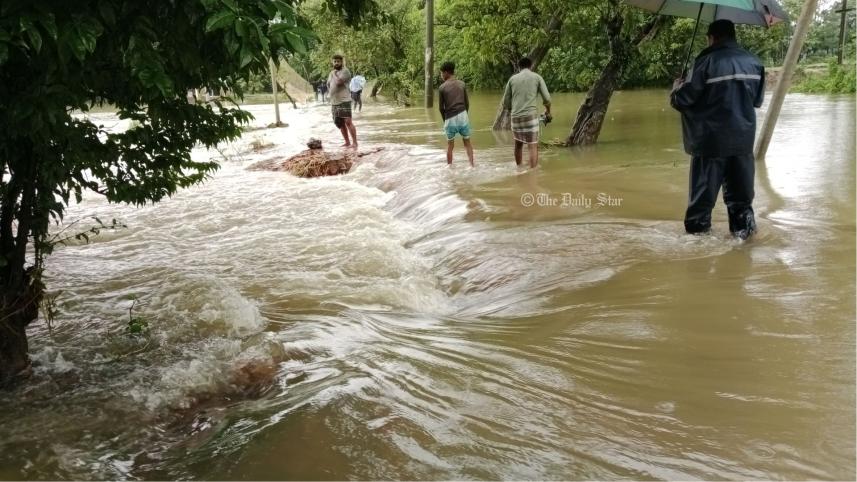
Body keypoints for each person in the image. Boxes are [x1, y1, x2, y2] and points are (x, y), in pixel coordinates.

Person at [670, 19, 765, 240]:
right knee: (741, 201)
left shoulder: (705, 62)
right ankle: (745, 247)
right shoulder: (754, 63)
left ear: (712, 37)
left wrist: (676, 87)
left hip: (710, 143)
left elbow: (683, 100)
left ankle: (697, 249)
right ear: (732, 36)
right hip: (742, 143)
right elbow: (756, 101)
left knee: (702, 202)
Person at [501, 57, 551, 168]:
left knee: (518, 145)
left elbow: (505, 102)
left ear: (519, 67)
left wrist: (511, 111)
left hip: (515, 118)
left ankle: (519, 169)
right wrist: (548, 111)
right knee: (532, 146)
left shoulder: (512, 79)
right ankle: (533, 173)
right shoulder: (537, 77)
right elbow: (547, 99)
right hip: (530, 117)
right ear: (531, 66)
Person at [438, 61, 475, 167]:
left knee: (450, 145)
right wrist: (465, 115)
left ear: (446, 73)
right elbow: (467, 103)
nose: (441, 75)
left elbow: (441, 108)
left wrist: (445, 121)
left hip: (450, 117)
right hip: (463, 115)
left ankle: (450, 168)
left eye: (441, 73)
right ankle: (472, 165)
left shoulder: (442, 88)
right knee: (467, 142)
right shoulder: (462, 84)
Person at [327, 54, 357, 148]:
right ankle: (347, 142)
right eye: (335, 61)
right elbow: (328, 84)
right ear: (332, 62)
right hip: (334, 101)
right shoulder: (331, 73)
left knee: (348, 121)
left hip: (344, 100)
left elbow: (338, 82)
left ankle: (355, 143)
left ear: (341, 62)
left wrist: (335, 74)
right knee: (339, 123)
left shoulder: (345, 71)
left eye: (338, 61)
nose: (336, 63)